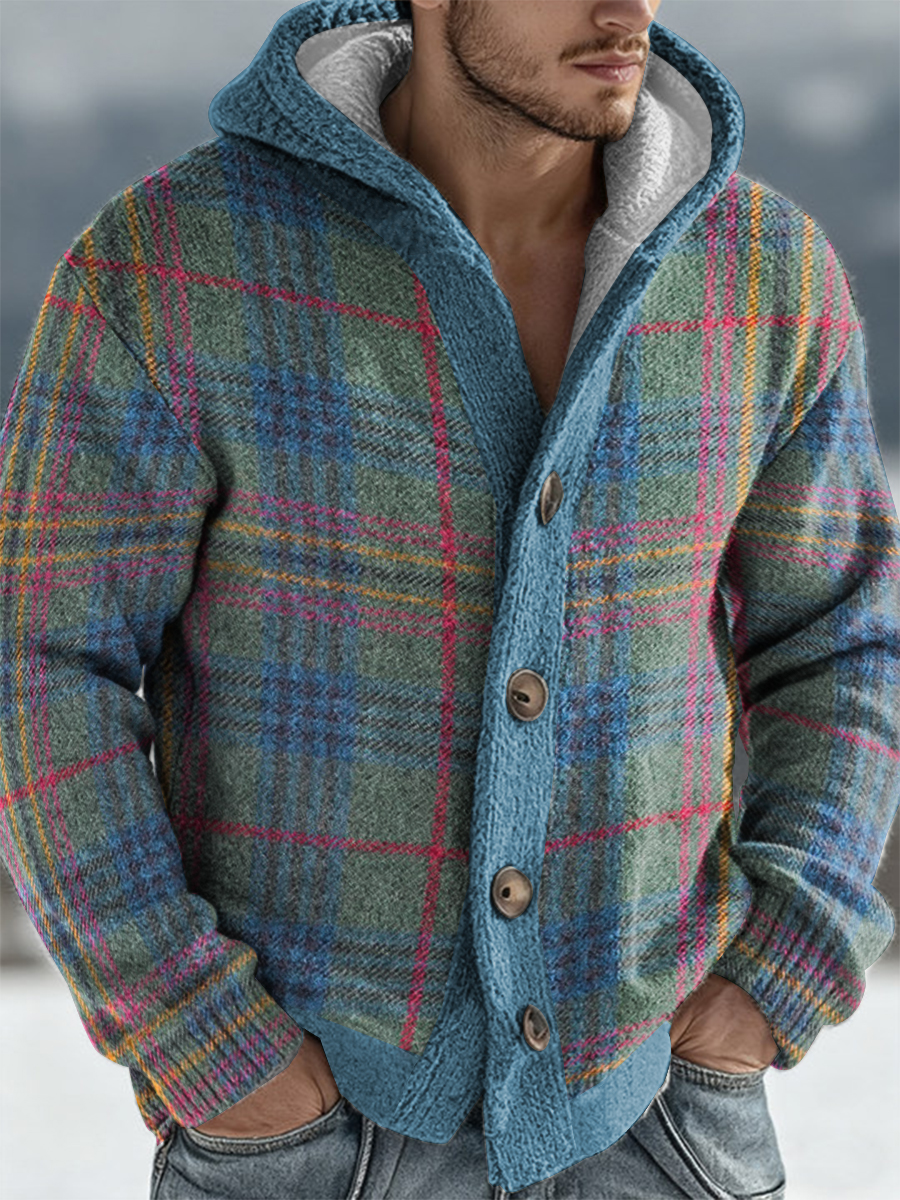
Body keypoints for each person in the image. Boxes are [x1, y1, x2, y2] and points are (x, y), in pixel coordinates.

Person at [2, 2, 898, 1198]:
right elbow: (41, 661)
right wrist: (203, 1040)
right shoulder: (172, 267)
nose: (625, 12)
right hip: (309, 1136)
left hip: (664, 1118)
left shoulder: (763, 274)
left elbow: (840, 637)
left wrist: (780, 969)